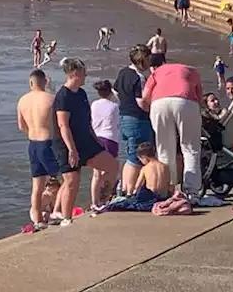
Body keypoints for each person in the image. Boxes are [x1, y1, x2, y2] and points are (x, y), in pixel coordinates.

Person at [52, 58, 119, 219]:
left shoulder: (81, 93)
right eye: (84, 72)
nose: (86, 75)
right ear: (75, 73)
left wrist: (96, 141)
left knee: (112, 165)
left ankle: (101, 203)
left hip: (87, 141)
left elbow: (87, 121)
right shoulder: (63, 96)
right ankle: (66, 219)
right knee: (72, 182)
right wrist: (72, 150)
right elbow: (63, 125)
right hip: (67, 144)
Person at [140, 60, 204, 198]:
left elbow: (145, 97)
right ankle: (191, 191)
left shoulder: (157, 72)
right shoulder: (192, 71)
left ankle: (167, 187)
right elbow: (199, 99)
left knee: (164, 148)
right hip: (186, 101)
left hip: (159, 103)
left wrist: (149, 113)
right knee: (190, 148)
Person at [17, 69, 59, 230]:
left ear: (30, 83)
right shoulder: (50, 99)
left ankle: (38, 219)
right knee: (63, 179)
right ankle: (57, 212)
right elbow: (61, 123)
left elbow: (22, 126)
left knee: (37, 185)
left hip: (32, 143)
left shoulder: (22, 100)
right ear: (45, 82)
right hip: (48, 142)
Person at [113, 45, 155, 202]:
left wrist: (125, 102)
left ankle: (124, 189)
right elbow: (141, 102)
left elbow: (115, 90)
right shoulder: (139, 78)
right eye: (148, 58)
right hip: (138, 119)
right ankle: (129, 191)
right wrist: (152, 111)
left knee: (131, 153)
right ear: (142, 60)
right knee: (137, 156)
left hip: (124, 117)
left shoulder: (123, 71)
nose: (150, 61)